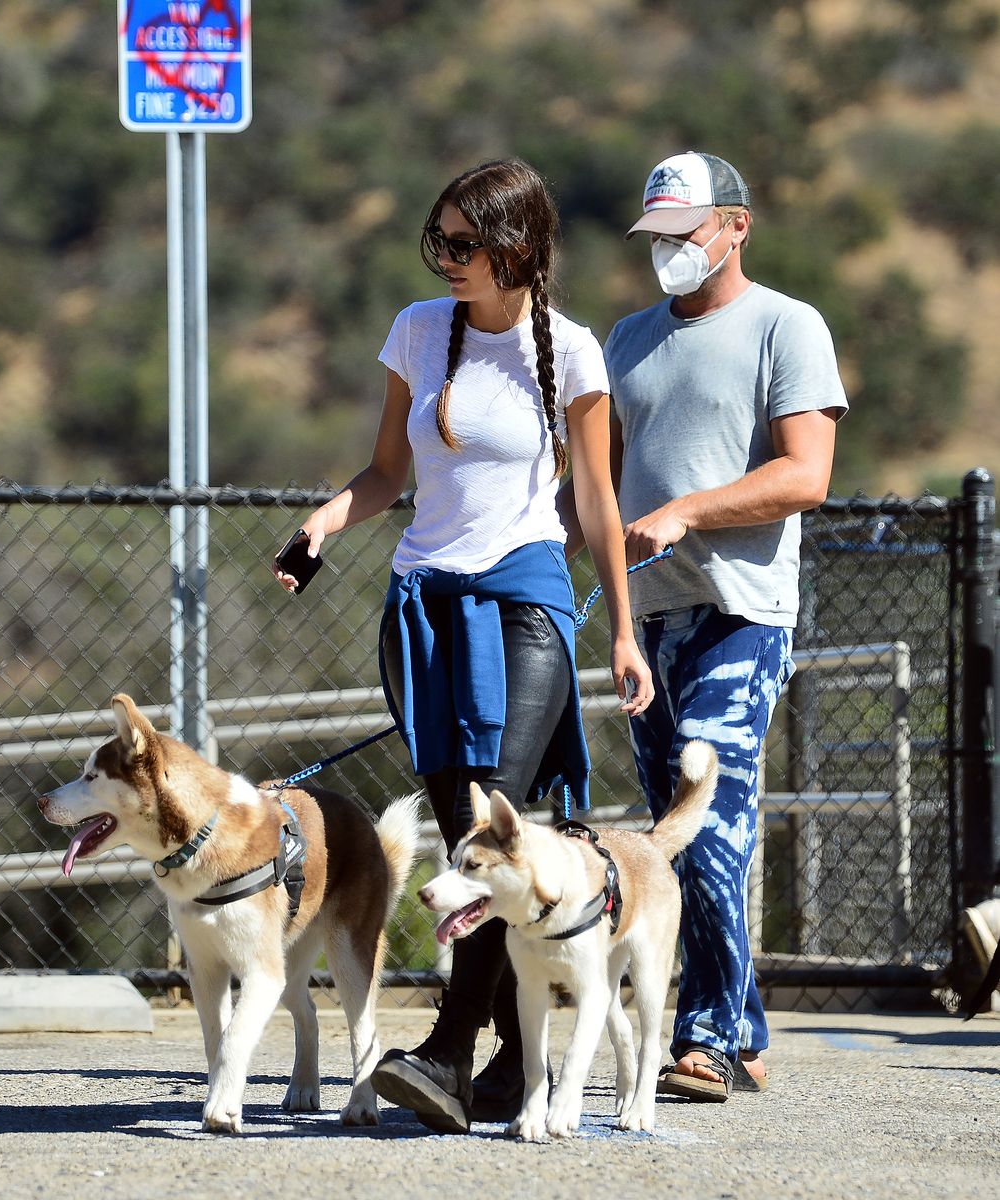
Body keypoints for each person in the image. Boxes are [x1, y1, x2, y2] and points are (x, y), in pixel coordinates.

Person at [273, 158, 653, 1133]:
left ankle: (446, 1050)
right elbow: (387, 470)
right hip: (422, 605)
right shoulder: (417, 331)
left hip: (526, 599)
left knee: (496, 819)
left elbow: (599, 503)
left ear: (516, 248)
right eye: (435, 240)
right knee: (461, 833)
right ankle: (514, 1061)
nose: (444, 258)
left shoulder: (573, 354)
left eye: (461, 242)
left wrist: (618, 628)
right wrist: (320, 526)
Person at [565, 150, 848, 1101]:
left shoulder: (786, 326)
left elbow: (805, 475)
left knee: (710, 815)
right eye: (655, 239)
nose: (667, 255)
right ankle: (746, 1022)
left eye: (684, 235)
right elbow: (593, 485)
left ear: (734, 226)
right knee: (671, 833)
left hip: (740, 613)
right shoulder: (626, 339)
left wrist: (688, 509)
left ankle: (705, 1033)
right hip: (642, 618)